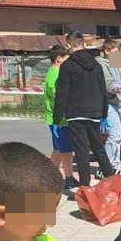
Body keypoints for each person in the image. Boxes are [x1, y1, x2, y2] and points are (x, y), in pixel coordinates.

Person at [54, 32, 116, 188]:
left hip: (75, 114)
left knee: (81, 152)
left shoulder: (67, 66)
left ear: (69, 45)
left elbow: (62, 93)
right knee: (98, 148)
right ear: (83, 44)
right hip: (95, 112)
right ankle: (114, 182)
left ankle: (85, 188)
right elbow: (103, 89)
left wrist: (57, 117)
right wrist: (103, 112)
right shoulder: (96, 65)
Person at [43, 45, 75, 189]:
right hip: (59, 119)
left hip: (57, 118)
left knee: (58, 149)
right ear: (58, 59)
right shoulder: (55, 74)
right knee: (66, 150)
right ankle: (69, 178)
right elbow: (58, 95)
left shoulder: (53, 72)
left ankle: (48, 176)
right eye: (66, 59)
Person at [96, 39, 121, 176]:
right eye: (114, 51)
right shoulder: (101, 64)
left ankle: (116, 164)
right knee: (113, 135)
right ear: (106, 51)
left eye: (117, 52)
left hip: (118, 102)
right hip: (108, 103)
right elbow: (109, 85)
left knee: (119, 137)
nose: (117, 54)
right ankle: (105, 168)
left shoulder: (116, 61)